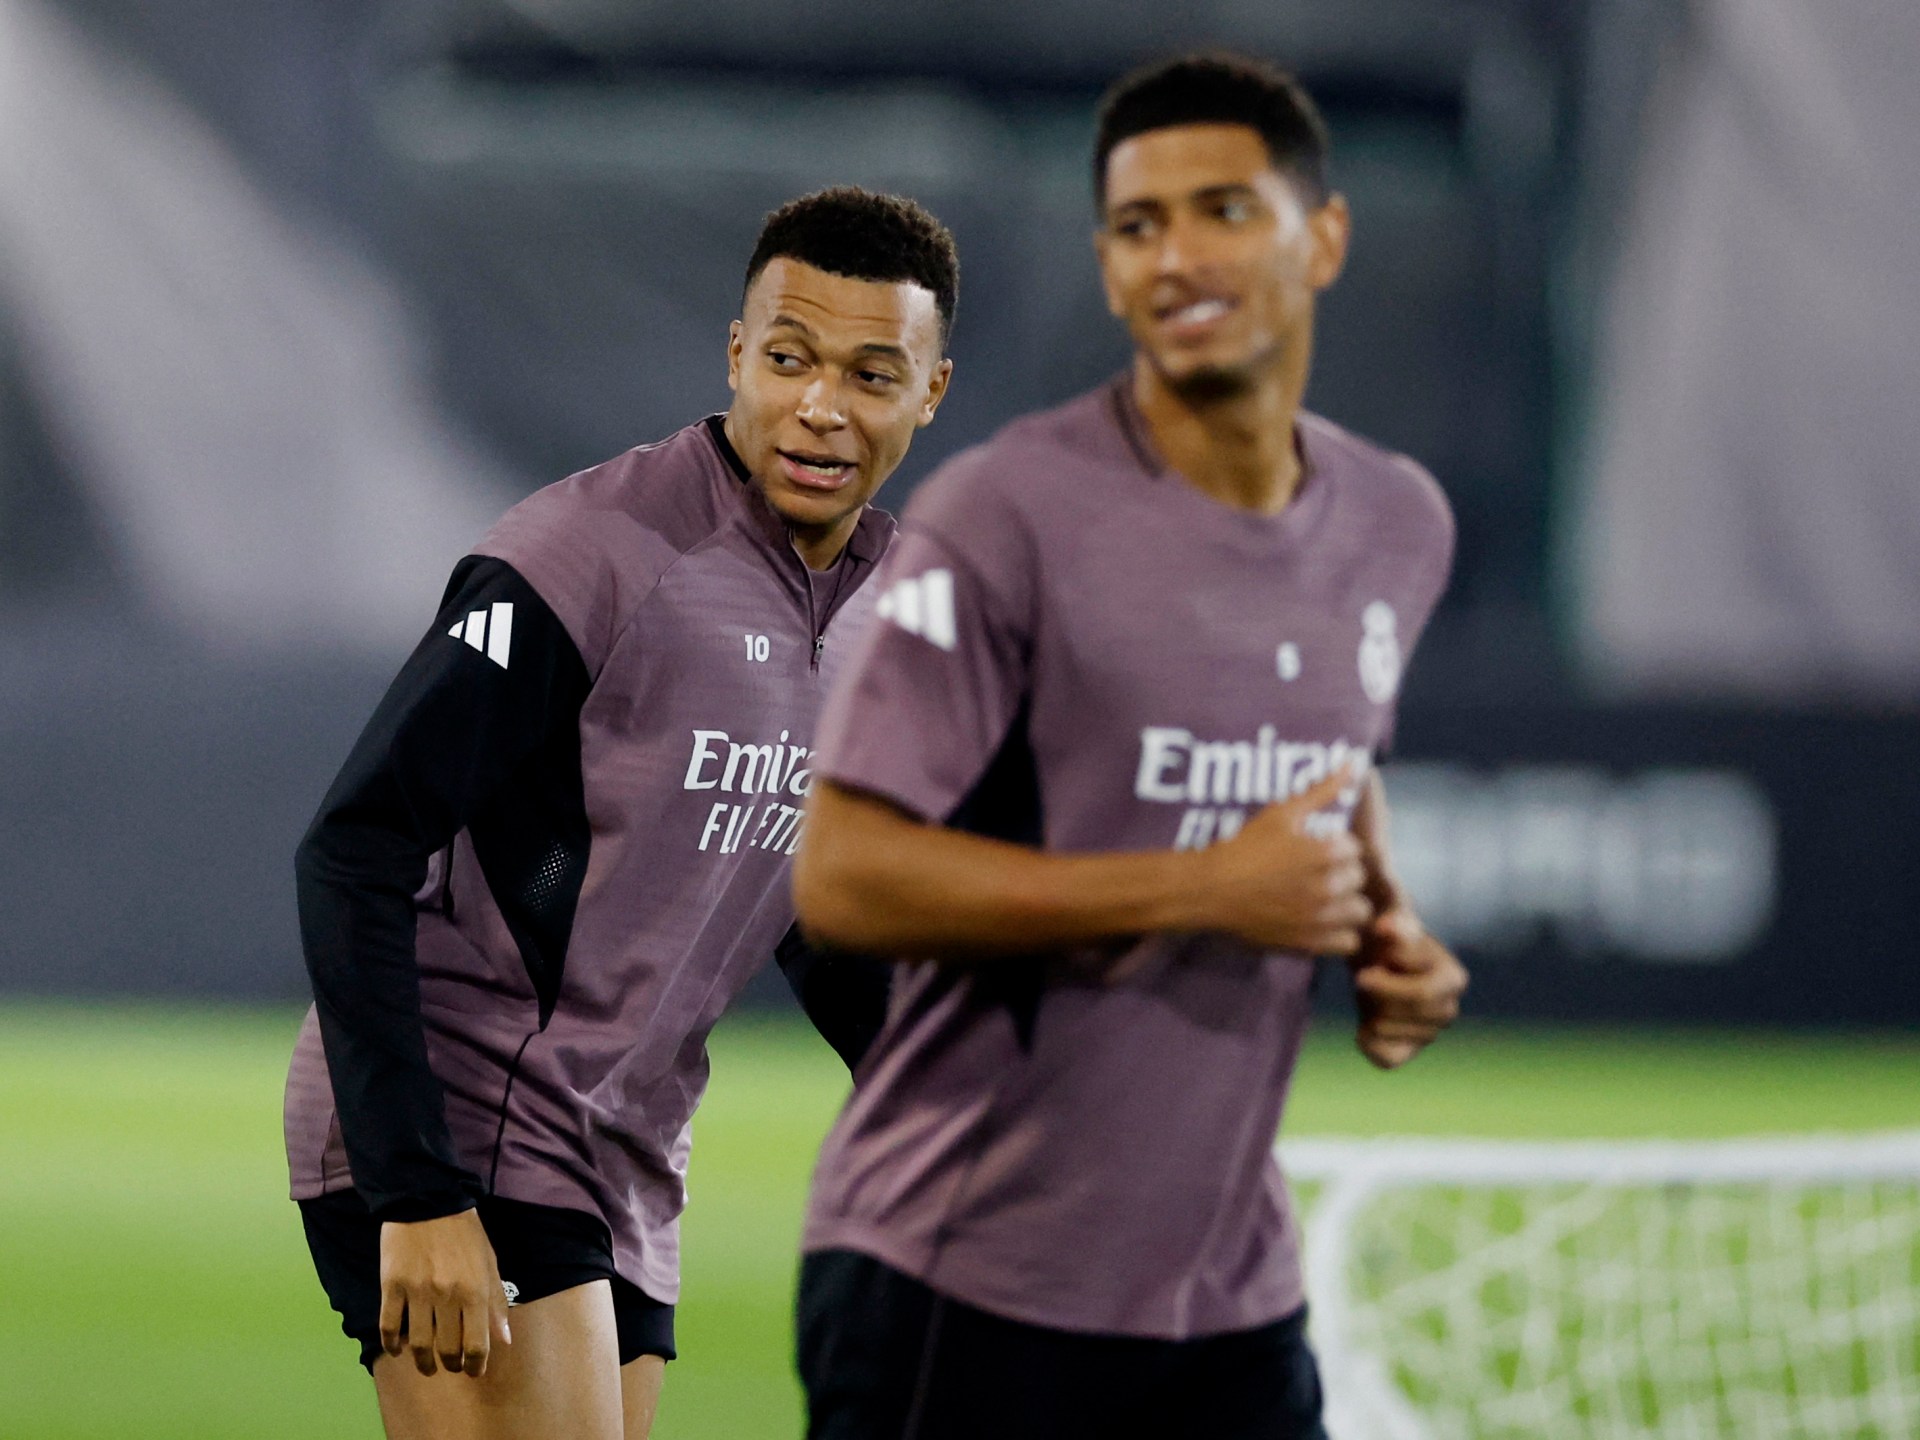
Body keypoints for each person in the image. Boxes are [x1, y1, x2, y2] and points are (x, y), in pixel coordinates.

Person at [789, 55, 1467, 1440]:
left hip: (1229, 1300)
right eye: (1140, 225)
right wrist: (1207, 890)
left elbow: (1328, 762)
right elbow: (845, 877)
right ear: (1107, 268)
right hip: (965, 1279)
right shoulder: (1007, 515)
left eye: (1226, 210)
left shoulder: (1399, 522)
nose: (1178, 256)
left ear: (1325, 238)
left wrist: (1385, 929)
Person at [282, 186, 957, 1440]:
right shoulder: (588, 552)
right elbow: (355, 848)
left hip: (627, 1150)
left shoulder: (892, 606)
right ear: (737, 355)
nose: (821, 406)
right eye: (790, 359)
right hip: (465, 1109)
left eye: (872, 375)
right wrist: (417, 1192)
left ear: (931, 392)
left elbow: (808, 907)